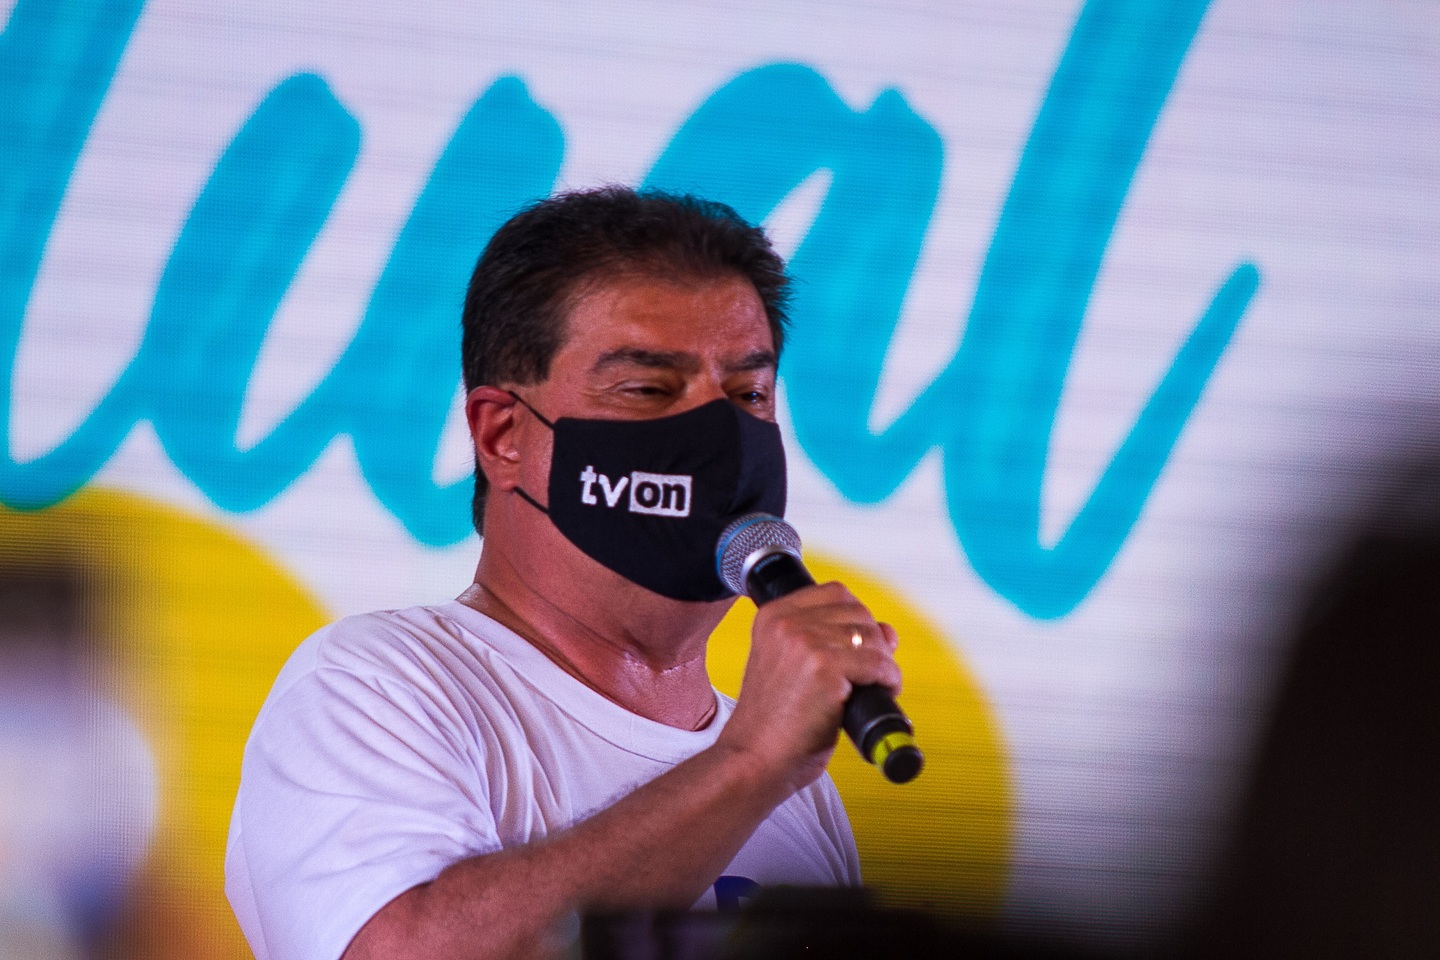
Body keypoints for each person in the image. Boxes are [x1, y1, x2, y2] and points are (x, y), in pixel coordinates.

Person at [225, 186, 904, 960]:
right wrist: (745, 764)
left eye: (748, 394)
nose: (719, 437)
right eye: (649, 389)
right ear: (504, 435)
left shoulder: (799, 782)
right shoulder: (378, 685)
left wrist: (756, 759)